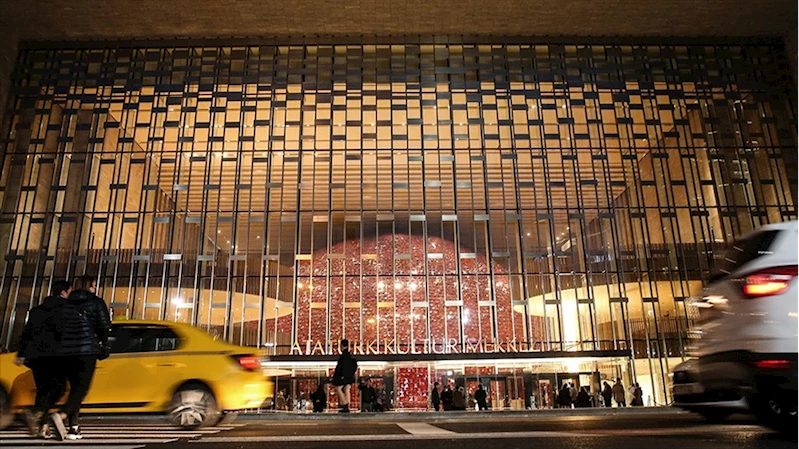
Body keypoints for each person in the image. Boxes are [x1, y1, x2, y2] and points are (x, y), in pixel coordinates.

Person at [48, 275, 111, 441]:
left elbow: (57, 327)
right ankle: (60, 416)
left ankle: (73, 427)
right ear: (89, 286)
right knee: (81, 390)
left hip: (65, 351)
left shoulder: (65, 303)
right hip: (86, 350)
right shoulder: (96, 302)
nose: (95, 288)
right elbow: (104, 325)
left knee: (75, 389)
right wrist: (104, 345)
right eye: (94, 285)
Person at [15, 280, 73, 438]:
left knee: (42, 391)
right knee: (59, 389)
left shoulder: (37, 310)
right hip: (56, 355)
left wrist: (21, 354)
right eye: (69, 292)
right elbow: (63, 332)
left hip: (35, 357)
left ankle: (42, 427)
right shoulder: (65, 309)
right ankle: (36, 413)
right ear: (64, 292)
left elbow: (27, 333)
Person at [332, 339, 357, 413]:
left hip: (343, 376)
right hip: (349, 377)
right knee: (346, 389)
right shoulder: (350, 356)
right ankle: (347, 405)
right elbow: (354, 366)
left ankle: (345, 404)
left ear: (342, 346)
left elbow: (340, 368)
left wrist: (338, 376)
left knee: (338, 388)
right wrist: (351, 375)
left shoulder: (343, 356)